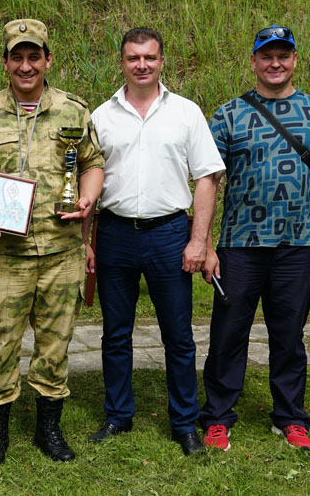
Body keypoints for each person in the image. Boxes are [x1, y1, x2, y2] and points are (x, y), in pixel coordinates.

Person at [0, 18, 104, 464]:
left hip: (61, 249)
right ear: (5, 61)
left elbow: (93, 163)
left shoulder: (74, 111)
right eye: (17, 57)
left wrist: (88, 197)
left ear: (47, 59)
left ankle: (48, 432)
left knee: (55, 344)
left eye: (33, 56)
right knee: (1, 341)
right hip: (6, 254)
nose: (26, 65)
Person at [200, 25, 310, 452]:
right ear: (254, 61)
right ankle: (217, 418)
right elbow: (208, 180)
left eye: (284, 55)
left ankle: (290, 418)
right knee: (228, 334)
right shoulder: (229, 115)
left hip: (296, 246)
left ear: (295, 59)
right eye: (267, 56)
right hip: (239, 246)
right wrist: (205, 243)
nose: (275, 63)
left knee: (289, 336)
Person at [86, 28, 224, 455]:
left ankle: (184, 423)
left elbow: (206, 178)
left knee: (178, 335)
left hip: (169, 234)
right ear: (121, 62)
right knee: (115, 334)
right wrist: (86, 242)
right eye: (133, 58)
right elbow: (86, 182)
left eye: (149, 57)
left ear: (163, 61)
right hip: (114, 233)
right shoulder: (100, 117)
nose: (141, 65)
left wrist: (198, 241)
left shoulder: (185, 112)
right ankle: (118, 416)